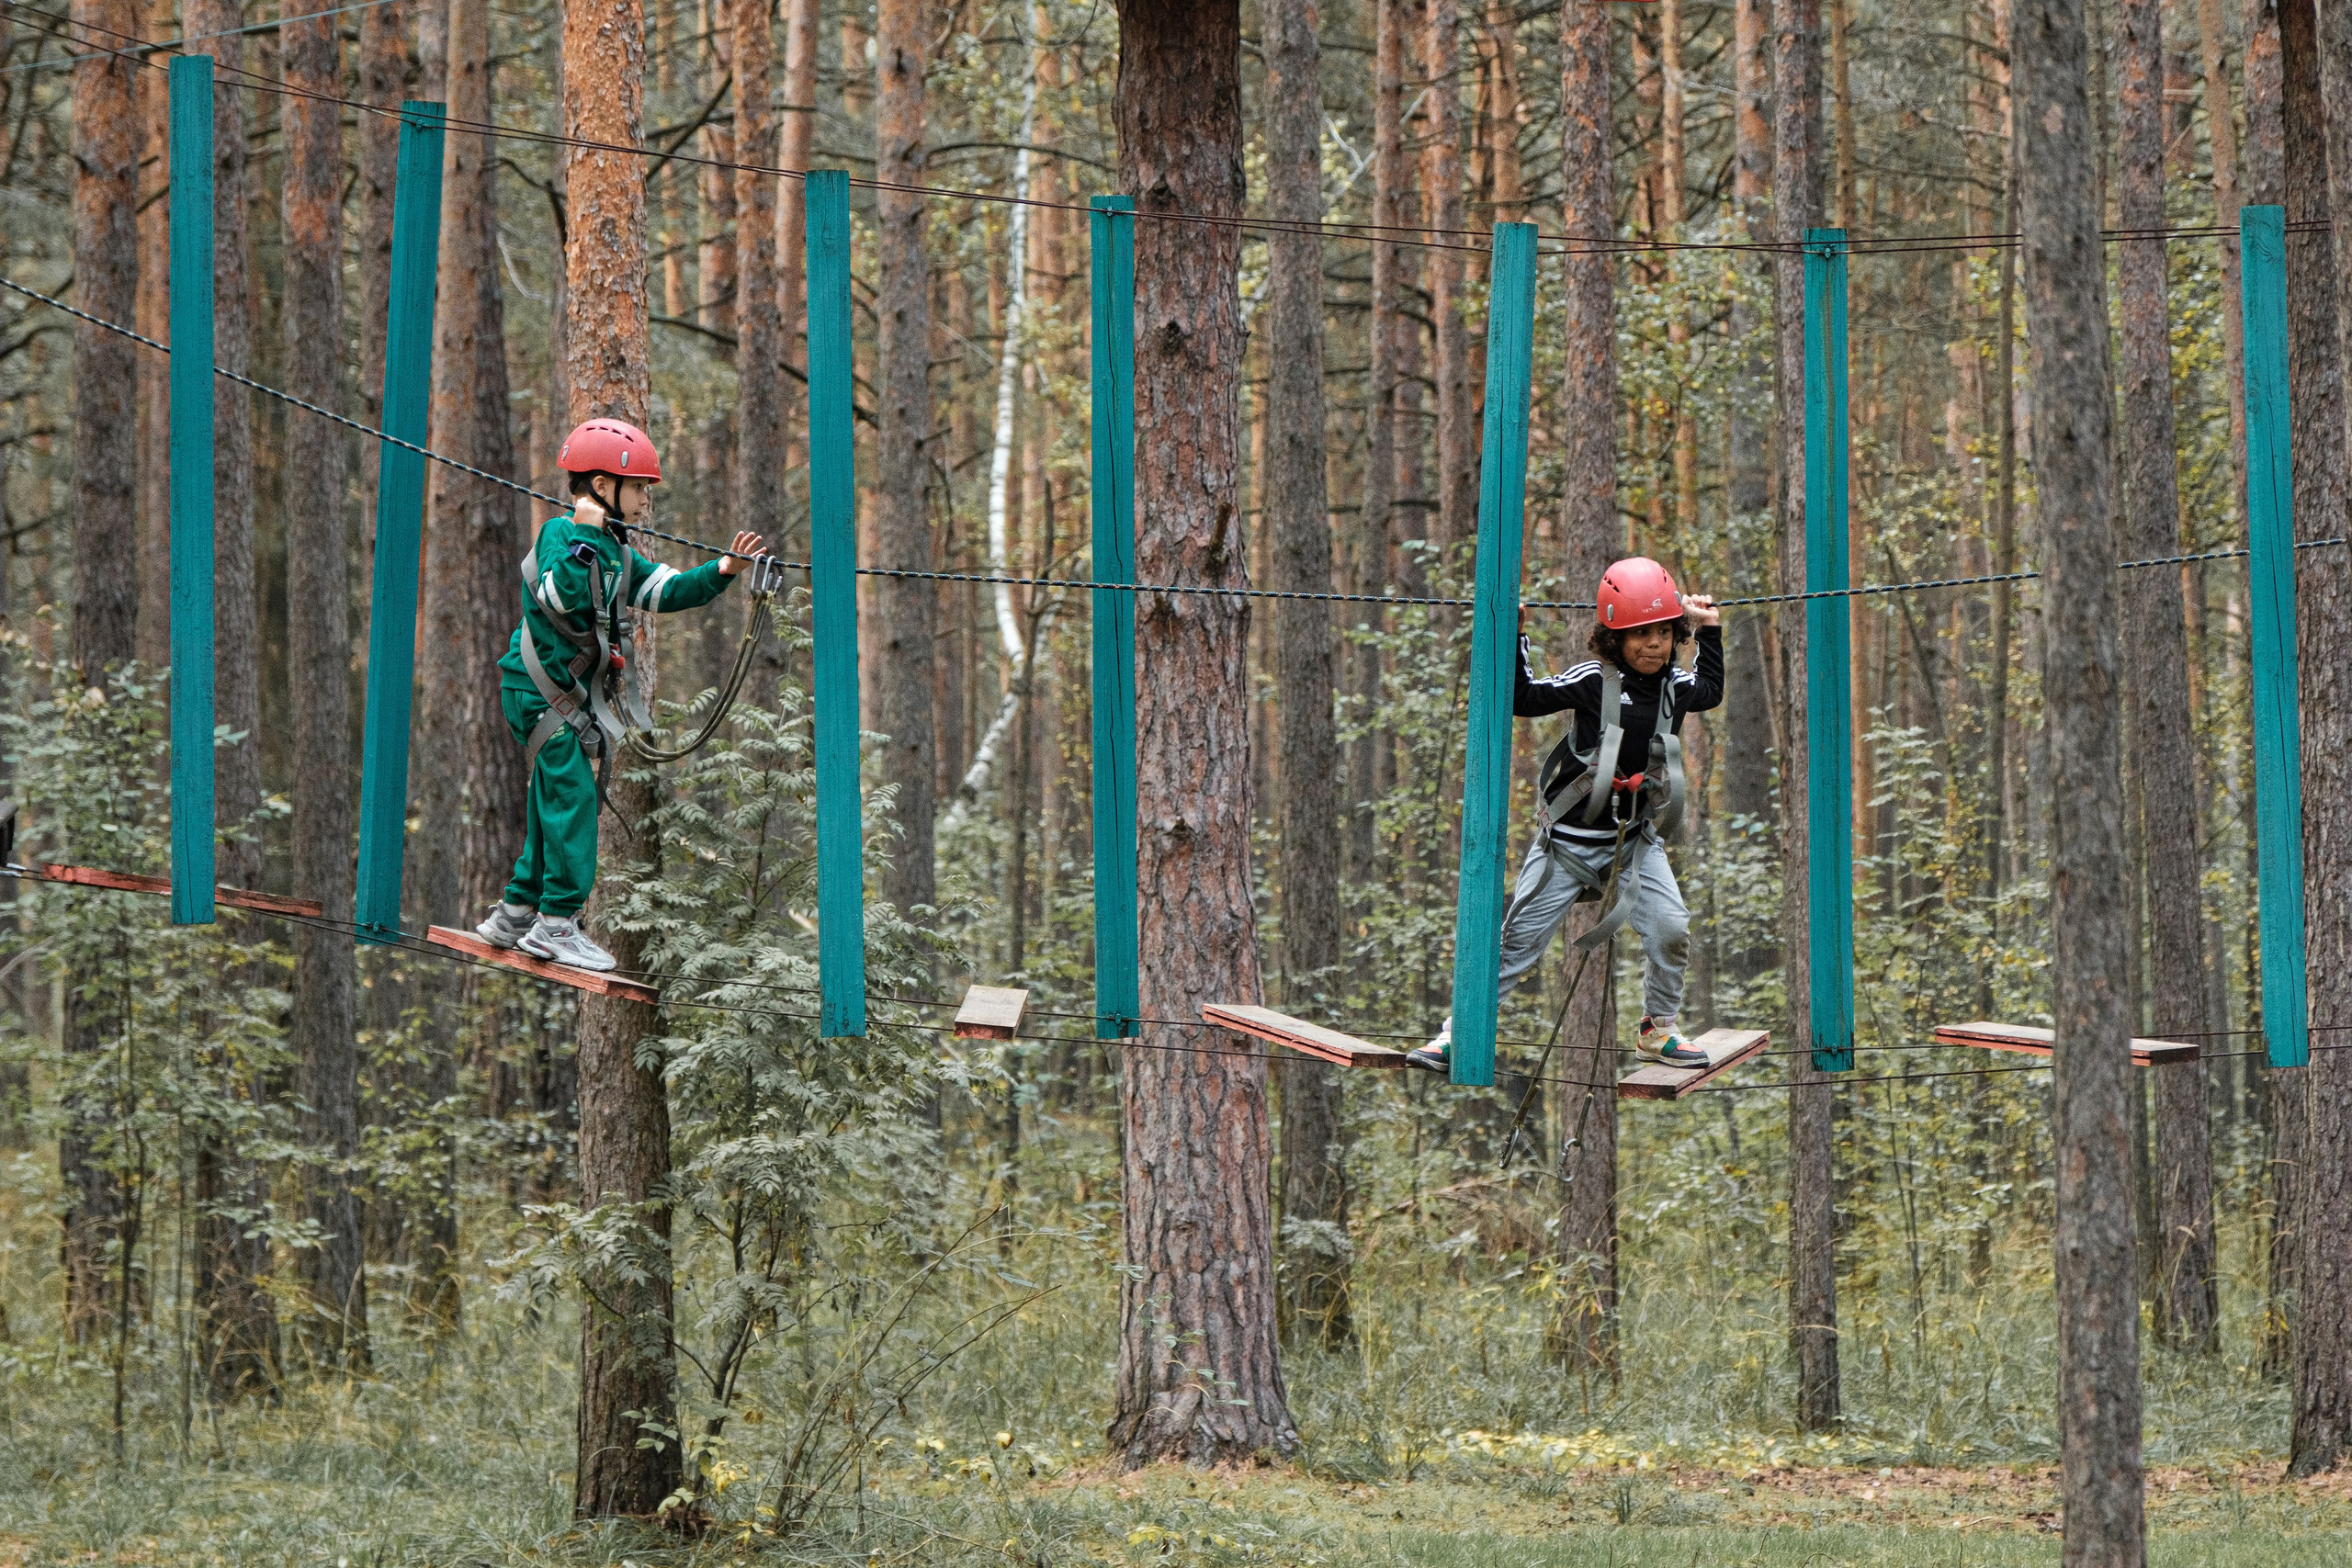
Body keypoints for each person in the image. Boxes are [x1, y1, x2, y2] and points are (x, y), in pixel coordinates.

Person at [1410, 557, 1724, 1073]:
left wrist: (1709, 630)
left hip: (1636, 843)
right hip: (1569, 842)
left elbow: (1711, 691)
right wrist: (1515, 633)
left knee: (1672, 928)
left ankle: (1658, 1028)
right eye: (1640, 634)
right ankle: (1456, 1034)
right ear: (1613, 638)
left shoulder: (1678, 687)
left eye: (1665, 632)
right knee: (1518, 942)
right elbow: (1522, 697)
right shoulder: (1592, 680)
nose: (1653, 644)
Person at [473, 418, 764, 972]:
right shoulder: (563, 537)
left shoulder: (618, 553)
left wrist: (723, 570)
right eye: (637, 489)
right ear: (603, 486)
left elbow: (666, 590)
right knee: (574, 799)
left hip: (552, 696)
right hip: (538, 691)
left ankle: (515, 913)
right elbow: (557, 595)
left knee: (552, 801)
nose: (644, 500)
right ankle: (556, 924)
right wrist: (584, 533)